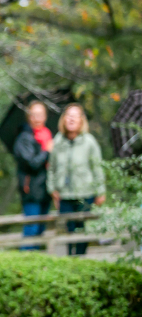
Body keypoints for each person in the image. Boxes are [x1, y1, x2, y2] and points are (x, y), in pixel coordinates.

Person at [47, 103, 106, 255]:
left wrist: (100, 191)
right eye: (68, 115)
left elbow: (97, 167)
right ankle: (69, 259)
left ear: (81, 120)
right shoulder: (57, 142)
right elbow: (52, 168)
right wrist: (52, 189)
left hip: (85, 193)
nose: (71, 119)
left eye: (75, 116)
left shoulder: (89, 142)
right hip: (64, 194)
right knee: (67, 230)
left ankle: (80, 258)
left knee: (82, 230)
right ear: (63, 119)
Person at [13, 101, 53, 247]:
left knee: (41, 230)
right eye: (34, 115)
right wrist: (46, 151)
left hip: (46, 190)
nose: (37, 118)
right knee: (32, 229)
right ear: (29, 117)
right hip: (31, 191)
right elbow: (32, 163)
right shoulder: (24, 138)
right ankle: (26, 258)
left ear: (45, 116)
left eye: (40, 115)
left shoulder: (47, 135)